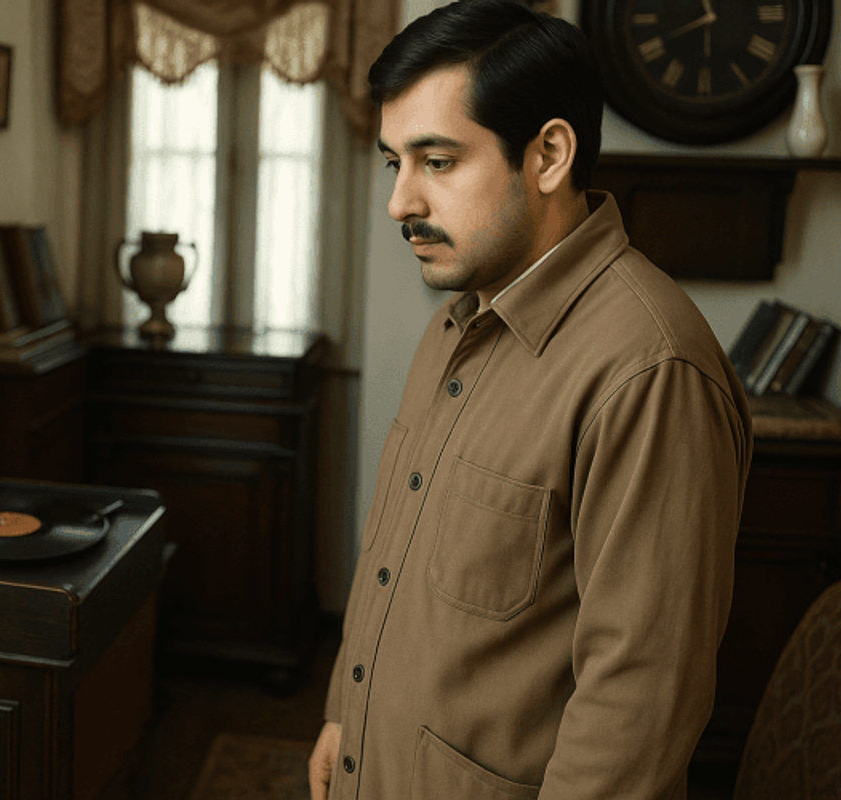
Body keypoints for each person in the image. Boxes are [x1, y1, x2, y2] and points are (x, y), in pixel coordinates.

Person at [307, 2, 752, 798]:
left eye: (436, 162)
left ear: (548, 154)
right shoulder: (456, 320)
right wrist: (347, 714)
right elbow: (392, 558)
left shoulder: (651, 371)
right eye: (393, 163)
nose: (399, 203)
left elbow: (638, 711)